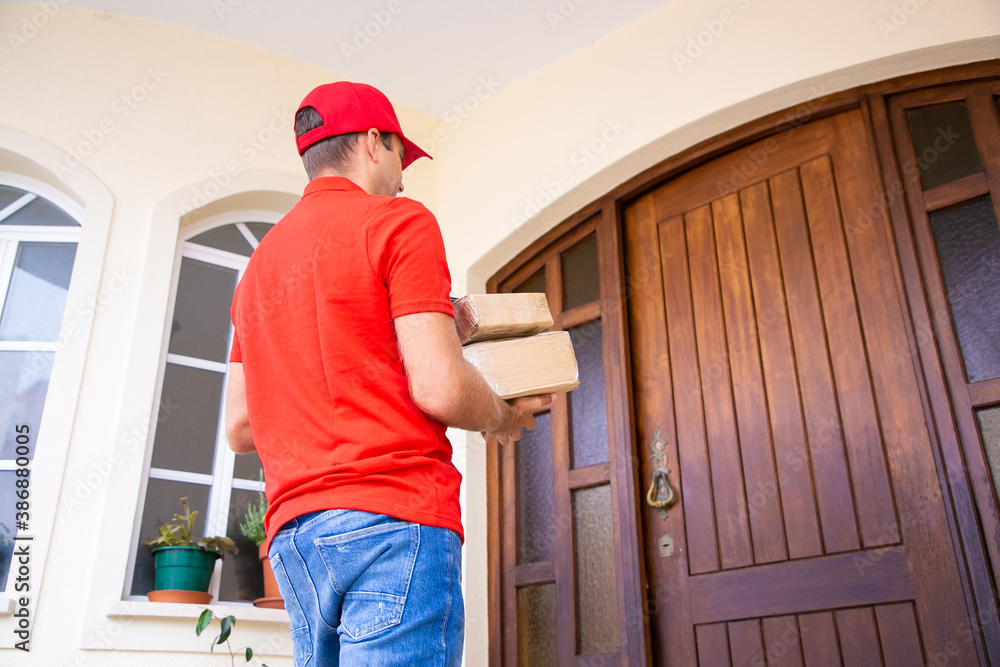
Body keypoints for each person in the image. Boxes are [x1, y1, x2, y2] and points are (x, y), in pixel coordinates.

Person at [225, 81, 552, 667]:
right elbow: (440, 387)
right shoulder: (399, 223)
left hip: (297, 540)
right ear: (374, 142)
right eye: (402, 156)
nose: (404, 178)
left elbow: (241, 427)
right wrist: (501, 417)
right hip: (393, 518)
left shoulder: (256, 271)